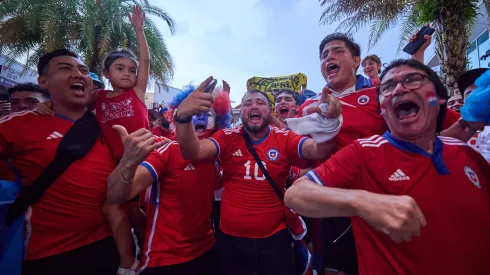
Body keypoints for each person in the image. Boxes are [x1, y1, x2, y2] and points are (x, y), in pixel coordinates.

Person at [285, 59, 490, 275]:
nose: (400, 88)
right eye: (388, 87)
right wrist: (361, 201)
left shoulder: (467, 153)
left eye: (413, 80)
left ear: (439, 99)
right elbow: (297, 194)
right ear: (381, 110)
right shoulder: (364, 152)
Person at [173, 76, 342, 275]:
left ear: (269, 112)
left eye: (260, 102)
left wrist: (330, 123)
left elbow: (318, 151)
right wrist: (182, 118)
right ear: (240, 111)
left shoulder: (284, 138)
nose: (254, 106)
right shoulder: (227, 137)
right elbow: (193, 152)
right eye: (247, 103)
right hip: (231, 243)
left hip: (275, 242)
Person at [0, 49, 132, 274]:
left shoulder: (109, 126)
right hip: (49, 255)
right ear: (44, 81)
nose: (78, 74)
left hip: (106, 246)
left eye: (83, 70)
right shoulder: (18, 125)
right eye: (65, 68)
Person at [106, 84, 233, 275]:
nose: (199, 116)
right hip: (166, 258)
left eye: (207, 112)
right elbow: (117, 195)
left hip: (207, 250)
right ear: (177, 115)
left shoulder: (214, 156)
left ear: (218, 122)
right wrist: (128, 163)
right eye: (192, 112)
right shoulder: (167, 149)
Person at [37, 5, 150, 163]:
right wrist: (47, 104)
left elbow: (145, 60)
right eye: (120, 68)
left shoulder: (136, 92)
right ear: (106, 73)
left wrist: (139, 29)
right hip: (108, 160)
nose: (127, 73)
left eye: (132, 70)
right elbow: (72, 104)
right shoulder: (98, 96)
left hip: (141, 159)